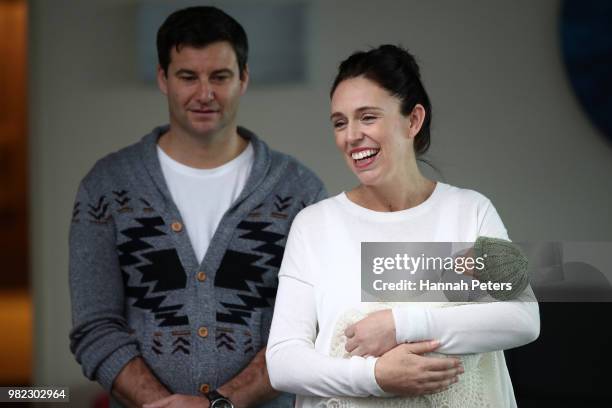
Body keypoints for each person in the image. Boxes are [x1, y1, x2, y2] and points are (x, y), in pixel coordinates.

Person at [68, 6, 325, 408]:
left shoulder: (299, 192)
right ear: (163, 79)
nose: (204, 93)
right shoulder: (106, 187)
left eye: (220, 77)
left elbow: (306, 327)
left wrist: (220, 405)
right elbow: (95, 326)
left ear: (243, 79)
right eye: (188, 76)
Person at [265, 45, 540, 407]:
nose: (351, 136)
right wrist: (375, 377)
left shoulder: (470, 211)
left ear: (413, 120)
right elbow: (284, 361)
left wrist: (401, 324)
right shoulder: (315, 225)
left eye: (367, 117)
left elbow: (521, 317)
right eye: (339, 122)